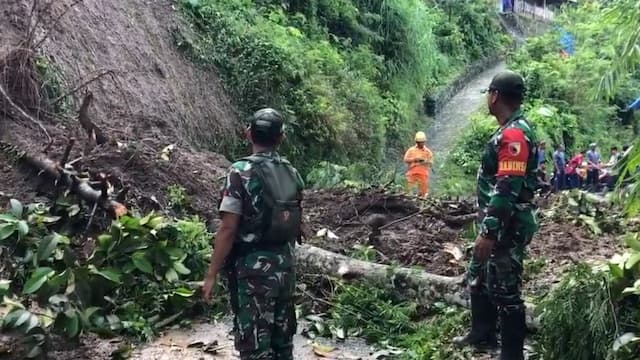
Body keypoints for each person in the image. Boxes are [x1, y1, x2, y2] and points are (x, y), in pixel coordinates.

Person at [202, 108, 304, 360]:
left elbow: (228, 228)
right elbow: (297, 222)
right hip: (286, 269)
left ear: (248, 134)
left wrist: (211, 274)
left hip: (253, 272)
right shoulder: (292, 172)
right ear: (281, 138)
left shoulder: (240, 172)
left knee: (256, 348)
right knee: (283, 346)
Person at [453, 71, 538, 360]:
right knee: (483, 278)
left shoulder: (514, 134)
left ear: (495, 96)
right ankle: (482, 333)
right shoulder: (508, 129)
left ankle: (512, 354)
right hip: (496, 221)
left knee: (505, 286)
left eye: (488, 94)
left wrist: (489, 232)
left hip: (507, 225)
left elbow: (506, 188)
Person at [403, 131, 433, 197]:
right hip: (412, 173)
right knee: (409, 192)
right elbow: (405, 159)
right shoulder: (411, 150)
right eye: (419, 142)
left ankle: (422, 202)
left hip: (423, 174)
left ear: (424, 142)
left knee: (423, 193)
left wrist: (424, 161)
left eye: (422, 142)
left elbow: (431, 163)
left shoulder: (428, 152)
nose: (420, 144)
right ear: (416, 142)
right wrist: (415, 159)